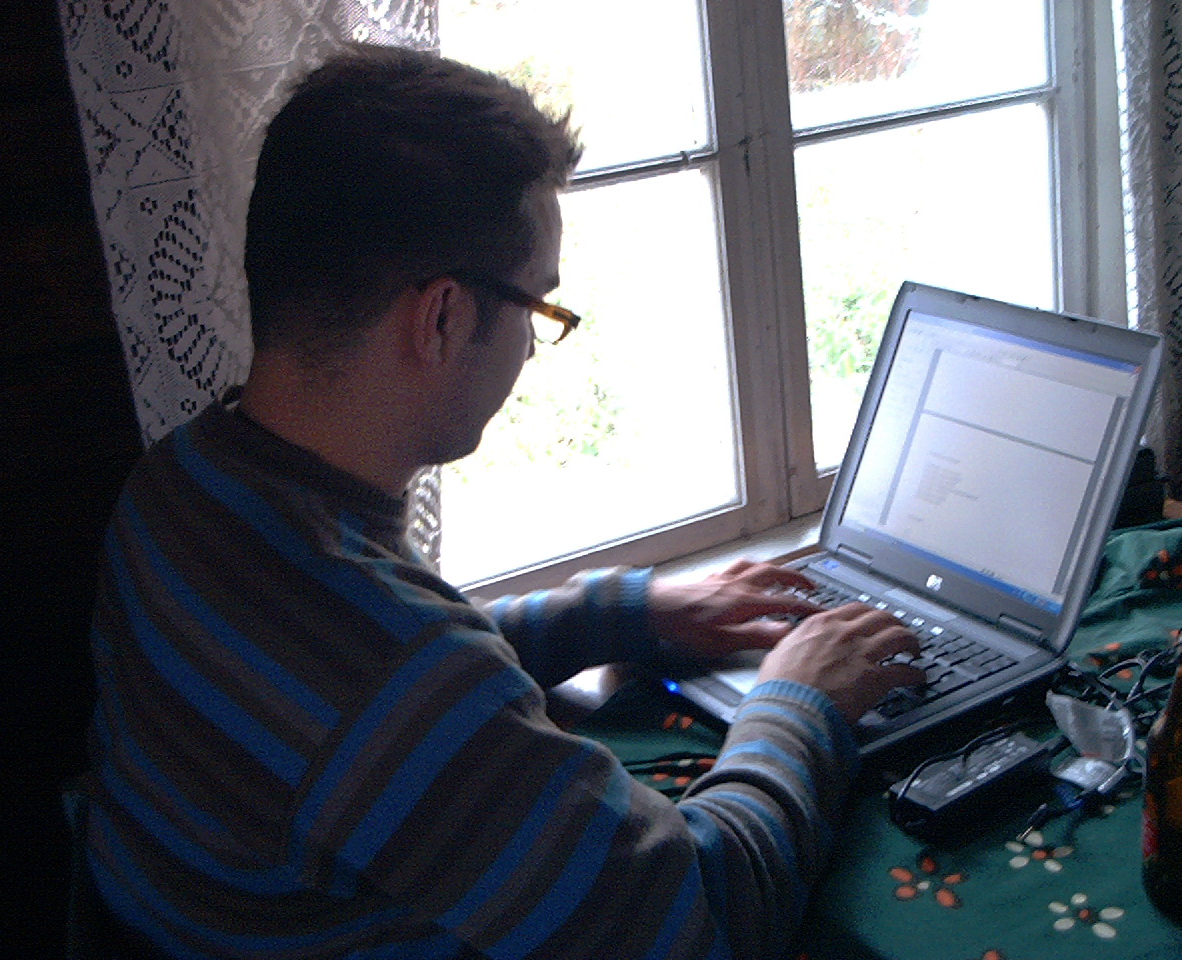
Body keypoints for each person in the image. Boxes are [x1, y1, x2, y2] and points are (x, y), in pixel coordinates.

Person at [81, 45, 924, 960]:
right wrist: (799, 700)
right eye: (537, 307)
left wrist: (622, 613)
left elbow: (378, 689)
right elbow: (705, 916)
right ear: (442, 317)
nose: (529, 346)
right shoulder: (398, 683)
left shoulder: (182, 486)